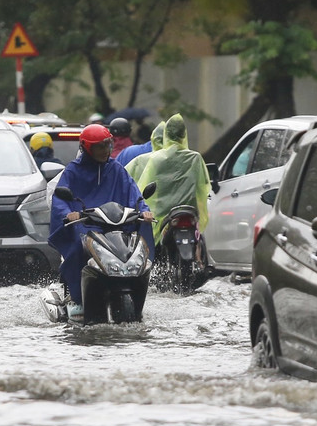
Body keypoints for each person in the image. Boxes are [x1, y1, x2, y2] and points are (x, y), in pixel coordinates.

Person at [49, 123, 154, 320]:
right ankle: (76, 296)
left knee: (134, 247)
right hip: (86, 227)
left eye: (108, 145)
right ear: (87, 148)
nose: (105, 150)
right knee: (77, 249)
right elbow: (60, 197)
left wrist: (145, 211)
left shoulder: (116, 169)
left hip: (116, 226)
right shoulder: (73, 170)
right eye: (100, 146)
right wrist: (69, 213)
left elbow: (135, 194)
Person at [127, 114, 209, 245]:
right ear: (184, 134)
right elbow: (203, 185)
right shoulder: (195, 157)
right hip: (190, 211)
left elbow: (145, 184)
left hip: (160, 216)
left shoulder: (156, 159)